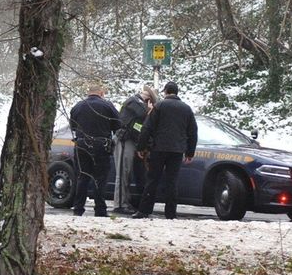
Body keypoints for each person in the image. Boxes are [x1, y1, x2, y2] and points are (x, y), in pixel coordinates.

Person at [132, 81, 197, 220]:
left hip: (159, 148)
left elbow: (146, 128)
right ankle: (170, 213)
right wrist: (190, 152)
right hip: (177, 150)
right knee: (172, 181)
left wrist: (141, 147)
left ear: (166, 92)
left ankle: (144, 210)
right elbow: (193, 132)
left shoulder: (159, 106)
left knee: (152, 179)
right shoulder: (186, 109)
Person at [69, 83, 121, 217]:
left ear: (88, 92)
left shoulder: (78, 106)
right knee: (100, 178)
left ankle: (78, 208)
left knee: (82, 177)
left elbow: (73, 126)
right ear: (101, 93)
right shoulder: (107, 106)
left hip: (81, 145)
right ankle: (100, 210)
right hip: (101, 145)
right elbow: (118, 125)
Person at [112, 84, 159, 215]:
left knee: (126, 173)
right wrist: (148, 111)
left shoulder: (137, 105)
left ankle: (125, 202)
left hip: (130, 141)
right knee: (122, 173)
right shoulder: (133, 101)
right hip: (124, 140)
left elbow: (139, 127)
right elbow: (141, 114)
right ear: (148, 99)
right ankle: (120, 204)